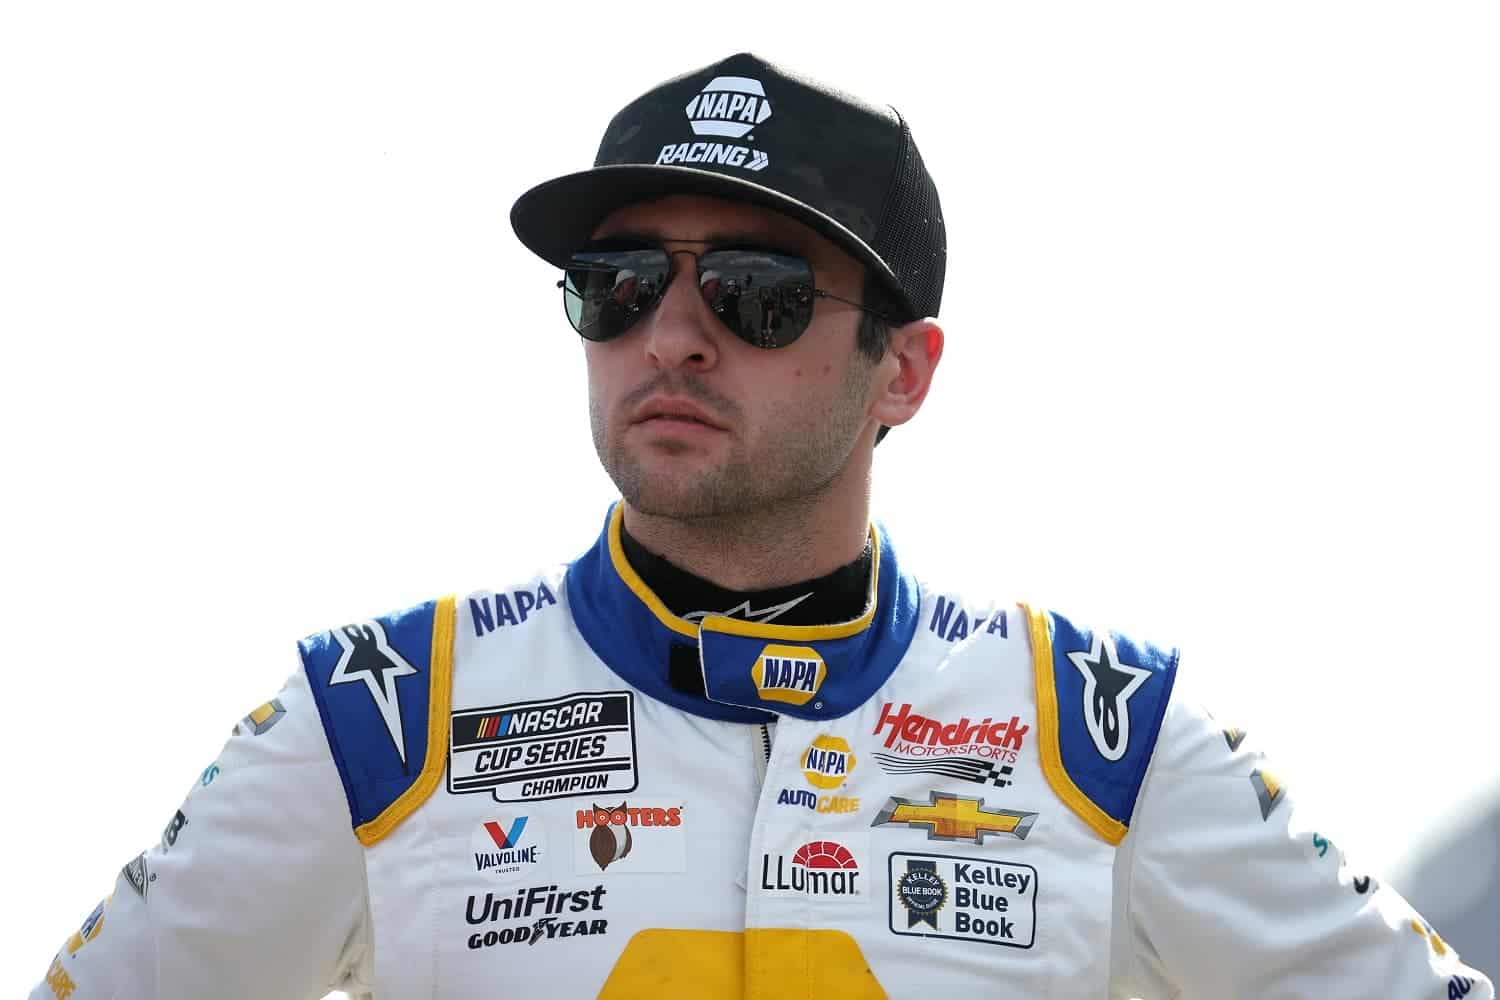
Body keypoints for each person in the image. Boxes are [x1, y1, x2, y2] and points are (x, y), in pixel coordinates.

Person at [28, 51, 1492, 1000]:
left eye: (753, 293)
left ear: (901, 375)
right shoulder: (380, 716)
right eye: (617, 284)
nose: (669, 336)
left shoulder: (1105, 735)